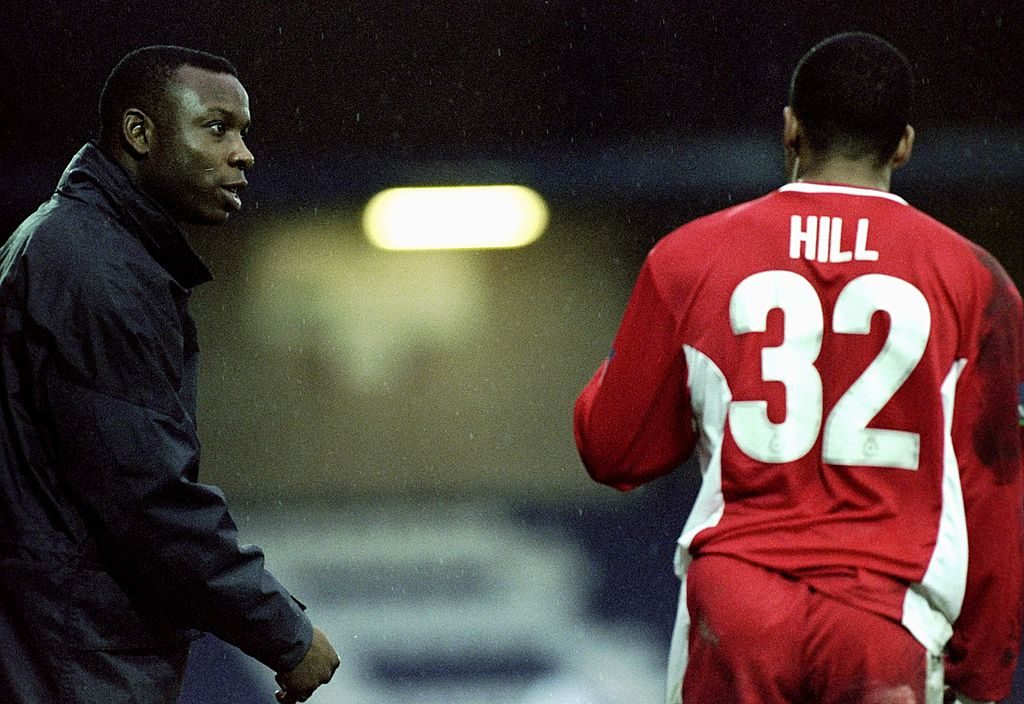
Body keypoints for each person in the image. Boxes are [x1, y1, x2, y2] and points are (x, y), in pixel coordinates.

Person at [574, 32, 1023, 704]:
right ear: (902, 144)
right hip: (883, 616)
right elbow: (994, 492)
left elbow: (613, 450)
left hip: (739, 607)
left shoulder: (691, 259)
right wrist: (982, 675)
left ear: (789, 130)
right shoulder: (976, 282)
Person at [0, 46, 339, 703]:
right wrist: (286, 633)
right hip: (68, 657)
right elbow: (147, 502)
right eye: (217, 128)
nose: (243, 153)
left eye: (243, 132)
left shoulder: (61, 241)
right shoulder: (99, 270)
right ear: (139, 134)